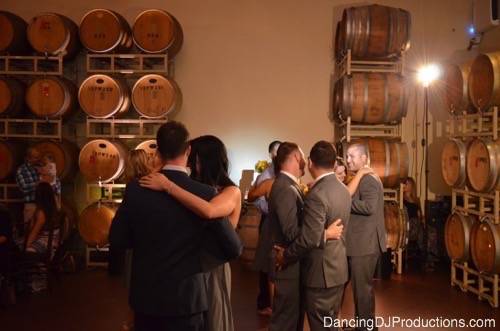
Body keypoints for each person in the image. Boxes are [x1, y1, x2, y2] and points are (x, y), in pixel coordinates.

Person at [109, 121, 242, 331]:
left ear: (158, 150)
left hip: (146, 297)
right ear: (188, 150)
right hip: (187, 297)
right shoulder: (205, 193)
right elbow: (233, 247)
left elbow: (117, 240)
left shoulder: (136, 189)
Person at [275, 141, 351, 331]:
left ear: (310, 163)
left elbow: (309, 238)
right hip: (339, 269)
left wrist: (285, 256)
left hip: (320, 275)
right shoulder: (343, 189)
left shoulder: (317, 194)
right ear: (334, 164)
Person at [345, 143, 386, 331]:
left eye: (352, 156)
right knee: (360, 291)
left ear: (364, 158)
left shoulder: (368, 179)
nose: (348, 160)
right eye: (347, 156)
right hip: (361, 243)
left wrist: (345, 202)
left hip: (365, 244)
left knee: (362, 291)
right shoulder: (361, 178)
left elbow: (369, 207)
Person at [248, 140, 280, 316]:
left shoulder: (282, 174)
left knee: (274, 262)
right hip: (268, 221)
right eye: (276, 152)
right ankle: (264, 303)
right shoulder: (266, 177)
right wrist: (277, 207)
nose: (279, 155)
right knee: (265, 262)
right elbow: (257, 201)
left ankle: (274, 303)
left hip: (278, 223)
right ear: (271, 155)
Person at [16, 148, 61, 234]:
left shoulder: (42, 167)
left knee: (46, 232)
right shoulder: (21, 170)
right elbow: (24, 188)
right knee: (30, 231)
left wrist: (51, 180)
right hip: (32, 205)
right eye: (35, 157)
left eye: (38, 157)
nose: (38, 159)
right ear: (28, 158)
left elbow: (54, 182)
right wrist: (39, 183)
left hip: (45, 205)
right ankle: (29, 246)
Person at [403, 177, 425, 262]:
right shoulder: (402, 198)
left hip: (417, 224)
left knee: (430, 231)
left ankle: (428, 257)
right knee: (415, 223)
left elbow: (420, 214)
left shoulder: (416, 200)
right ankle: (423, 255)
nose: (405, 185)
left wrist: (422, 218)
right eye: (405, 183)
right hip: (407, 225)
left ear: (412, 186)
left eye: (407, 183)